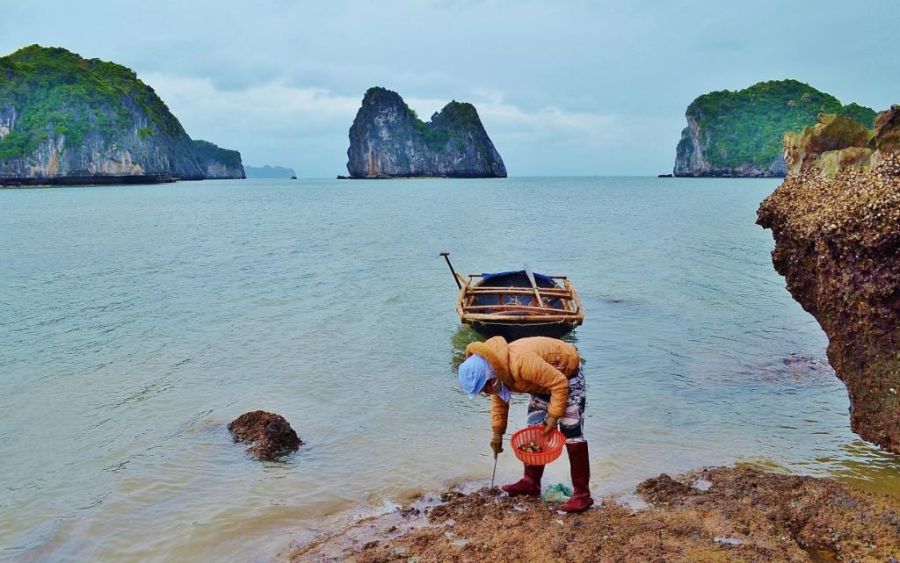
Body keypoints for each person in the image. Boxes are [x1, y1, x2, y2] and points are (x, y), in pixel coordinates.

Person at [457, 335, 593, 513]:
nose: (486, 393)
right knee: (535, 431)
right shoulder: (498, 370)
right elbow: (499, 400)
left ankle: (582, 495)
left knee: (572, 433)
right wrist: (497, 433)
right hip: (542, 383)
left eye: (484, 388)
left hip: (567, 375)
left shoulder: (521, 363)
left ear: (490, 376)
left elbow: (559, 383)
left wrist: (553, 416)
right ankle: (531, 483)